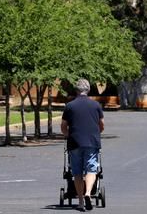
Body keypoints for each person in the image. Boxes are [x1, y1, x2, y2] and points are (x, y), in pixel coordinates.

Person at [61, 78, 104, 211]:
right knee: (91, 169)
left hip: (75, 142)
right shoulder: (96, 105)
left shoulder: (70, 106)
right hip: (92, 141)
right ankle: (88, 193)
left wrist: (68, 135)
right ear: (88, 90)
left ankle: (80, 202)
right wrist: (97, 132)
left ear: (76, 90)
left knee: (77, 172)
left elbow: (63, 126)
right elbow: (101, 125)